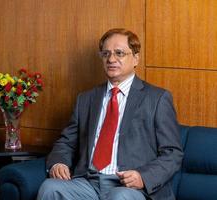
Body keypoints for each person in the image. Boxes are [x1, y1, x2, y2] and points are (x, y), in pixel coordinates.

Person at [37, 28, 183, 200]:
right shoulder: (86, 99)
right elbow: (67, 142)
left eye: (119, 53)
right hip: (88, 182)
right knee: (50, 188)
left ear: (136, 58)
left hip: (130, 187)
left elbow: (173, 153)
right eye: (106, 54)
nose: (111, 59)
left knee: (119, 197)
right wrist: (59, 162)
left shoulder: (157, 98)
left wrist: (143, 177)